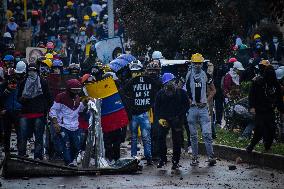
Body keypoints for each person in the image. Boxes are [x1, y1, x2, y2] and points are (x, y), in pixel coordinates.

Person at [122, 60, 157, 165]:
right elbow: (124, 92)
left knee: (145, 137)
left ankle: (148, 157)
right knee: (134, 137)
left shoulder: (148, 81)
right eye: (133, 71)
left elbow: (154, 93)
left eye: (137, 71)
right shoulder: (130, 82)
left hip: (143, 113)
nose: (135, 73)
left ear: (141, 71)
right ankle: (134, 158)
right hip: (134, 114)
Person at [186, 53, 216, 166]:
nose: (197, 65)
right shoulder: (188, 75)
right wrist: (188, 100)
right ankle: (194, 157)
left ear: (202, 64)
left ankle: (211, 156)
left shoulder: (207, 76)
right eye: (195, 63)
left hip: (203, 109)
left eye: (199, 63)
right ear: (192, 64)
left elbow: (213, 90)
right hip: (192, 109)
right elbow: (183, 89)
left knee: (207, 134)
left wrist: (206, 100)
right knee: (193, 135)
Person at [155, 73, 190, 169]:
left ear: (174, 82)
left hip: (177, 118)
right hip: (164, 118)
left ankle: (175, 161)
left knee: (177, 140)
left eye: (171, 82)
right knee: (161, 138)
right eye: (167, 83)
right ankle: (162, 159)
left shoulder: (181, 93)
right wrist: (160, 119)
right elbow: (157, 108)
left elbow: (186, 105)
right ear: (164, 85)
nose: (170, 85)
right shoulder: (160, 94)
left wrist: (180, 117)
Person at [17, 63, 52, 160]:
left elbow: (49, 98)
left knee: (39, 137)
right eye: (30, 71)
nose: (32, 73)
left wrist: (45, 109)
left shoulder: (43, 82)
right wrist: (23, 99)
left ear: (37, 72)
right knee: (23, 136)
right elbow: (18, 98)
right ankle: (21, 155)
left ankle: (38, 156)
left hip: (39, 114)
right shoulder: (23, 83)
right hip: (25, 114)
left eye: (34, 71)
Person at [49, 79, 86, 166]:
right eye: (74, 90)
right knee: (66, 145)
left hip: (75, 126)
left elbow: (79, 109)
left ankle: (72, 160)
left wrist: (84, 103)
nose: (76, 92)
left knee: (76, 146)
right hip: (63, 126)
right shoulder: (60, 97)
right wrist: (55, 123)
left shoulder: (77, 98)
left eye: (77, 90)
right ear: (69, 89)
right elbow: (53, 110)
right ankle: (68, 162)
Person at [247, 65, 284, 152]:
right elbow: (251, 95)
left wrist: (281, 108)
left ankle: (267, 146)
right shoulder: (258, 82)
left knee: (271, 129)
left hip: (270, 110)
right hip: (259, 110)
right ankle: (251, 146)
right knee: (260, 129)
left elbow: (279, 100)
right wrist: (252, 107)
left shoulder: (276, 86)